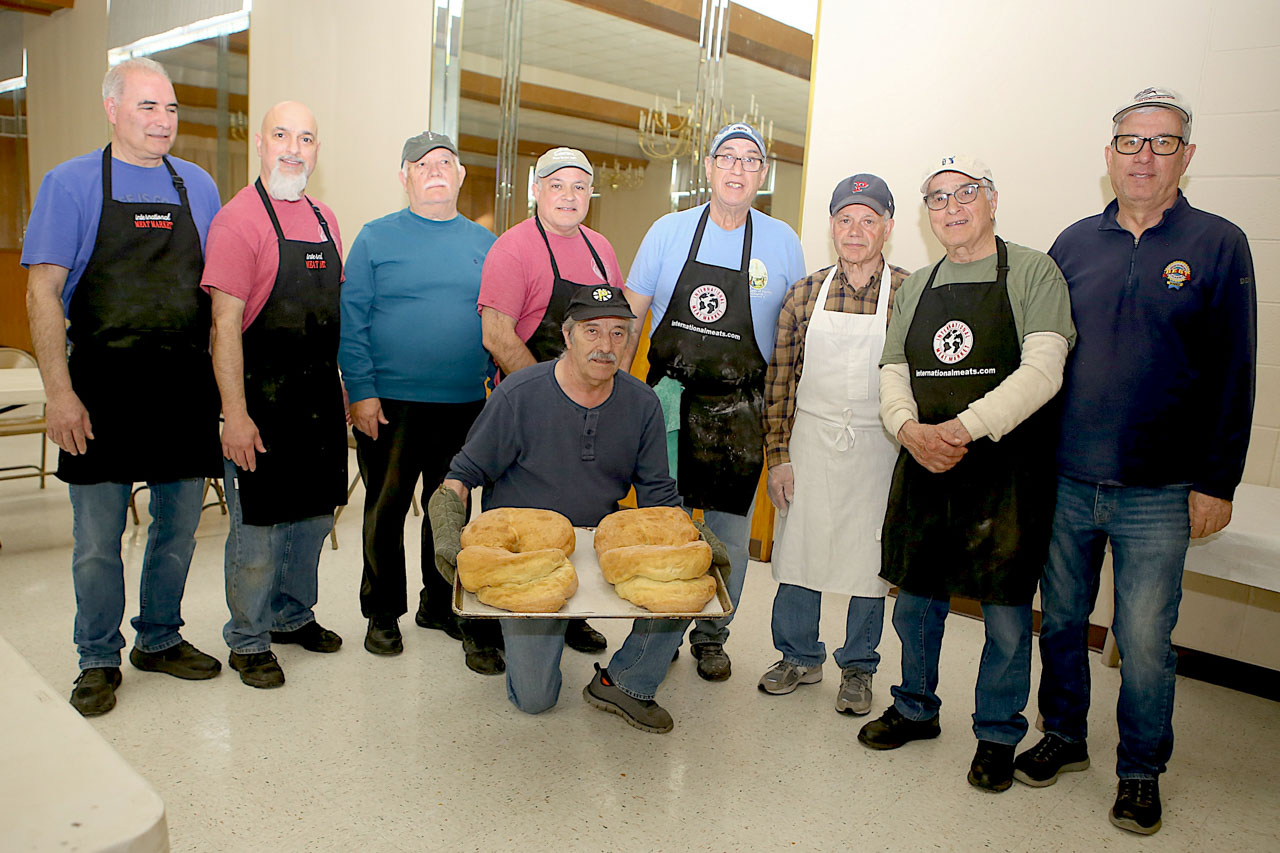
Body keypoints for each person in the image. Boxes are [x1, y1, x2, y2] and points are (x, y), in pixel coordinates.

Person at [1016, 88, 1257, 835]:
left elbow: (1235, 371)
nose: (1144, 156)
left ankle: (1141, 770)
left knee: (1146, 641)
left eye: (1162, 142)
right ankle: (1063, 735)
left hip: (1162, 488)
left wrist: (1218, 480)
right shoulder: (1072, 244)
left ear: (1187, 156)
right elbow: (1042, 358)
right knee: (1061, 621)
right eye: (1130, 141)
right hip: (1067, 477)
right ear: (1110, 154)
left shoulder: (1219, 243)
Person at [858, 156, 1076, 796]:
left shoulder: (1033, 271)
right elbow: (893, 370)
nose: (951, 208)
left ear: (992, 200)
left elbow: (1044, 369)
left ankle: (998, 734)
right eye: (938, 198)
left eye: (965, 194)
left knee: (1005, 613)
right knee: (916, 604)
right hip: (925, 462)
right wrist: (908, 430)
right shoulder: (917, 286)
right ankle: (915, 707)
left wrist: (962, 428)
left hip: (1005, 471)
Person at [22, 58, 224, 717]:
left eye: (171, 108)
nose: (163, 121)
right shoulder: (71, 183)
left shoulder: (198, 185)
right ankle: (97, 657)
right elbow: (42, 293)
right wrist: (59, 393)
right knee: (96, 540)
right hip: (100, 390)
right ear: (112, 109)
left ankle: (159, 637)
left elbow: (219, 296)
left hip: (184, 389)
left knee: (178, 529)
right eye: (147, 107)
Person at [434, 286, 725, 733]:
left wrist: (696, 541)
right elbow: (462, 474)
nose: (605, 345)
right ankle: (535, 633)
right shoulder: (519, 395)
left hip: (596, 550)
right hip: (527, 565)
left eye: (618, 333)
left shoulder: (641, 404)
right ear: (567, 336)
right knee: (535, 699)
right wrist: (447, 529)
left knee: (687, 589)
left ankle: (626, 681)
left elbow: (657, 496)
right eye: (592, 331)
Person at [621, 122, 805, 681]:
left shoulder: (782, 241)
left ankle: (711, 635)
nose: (737, 168)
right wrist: (617, 398)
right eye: (727, 157)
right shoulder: (668, 231)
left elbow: (795, 338)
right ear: (708, 167)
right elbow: (630, 319)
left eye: (750, 160)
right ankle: (658, 630)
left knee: (729, 539)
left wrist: (785, 426)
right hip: (669, 403)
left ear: (762, 173)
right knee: (664, 527)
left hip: (741, 410)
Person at [338, 131, 502, 672]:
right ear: (404, 176)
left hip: (465, 403)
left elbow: (497, 320)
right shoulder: (375, 238)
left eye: (445, 162)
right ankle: (382, 613)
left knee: (449, 510)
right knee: (386, 509)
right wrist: (361, 391)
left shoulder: (485, 243)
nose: (435, 171)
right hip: (389, 403)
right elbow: (352, 321)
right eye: (422, 163)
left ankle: (439, 603)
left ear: (460, 175)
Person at [203, 101, 347, 689]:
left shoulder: (326, 219)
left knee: (311, 522)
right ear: (260, 144)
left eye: (305, 138)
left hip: (317, 400)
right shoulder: (238, 221)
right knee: (259, 533)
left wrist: (342, 386)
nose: (293, 148)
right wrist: (234, 415)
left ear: (317, 150)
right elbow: (223, 327)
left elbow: (332, 314)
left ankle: (292, 615)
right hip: (259, 402)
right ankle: (248, 638)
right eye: (282, 135)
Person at [758, 174, 908, 715]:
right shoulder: (805, 293)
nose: (855, 230)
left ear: (887, 228)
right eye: (846, 219)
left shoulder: (909, 293)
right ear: (831, 226)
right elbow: (780, 380)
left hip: (880, 447)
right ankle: (798, 655)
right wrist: (778, 457)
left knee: (870, 561)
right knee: (801, 549)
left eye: (868, 219)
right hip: (811, 441)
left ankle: (859, 667)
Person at [477, 146, 624, 656]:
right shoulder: (512, 248)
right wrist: (550, 398)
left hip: (590, 408)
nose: (568, 196)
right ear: (536, 190)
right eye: (556, 185)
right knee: (515, 519)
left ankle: (572, 614)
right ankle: (488, 625)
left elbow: (612, 330)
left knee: (581, 512)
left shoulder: (601, 250)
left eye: (579, 187)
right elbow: (497, 335)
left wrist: (604, 393)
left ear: (590, 195)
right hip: (526, 406)